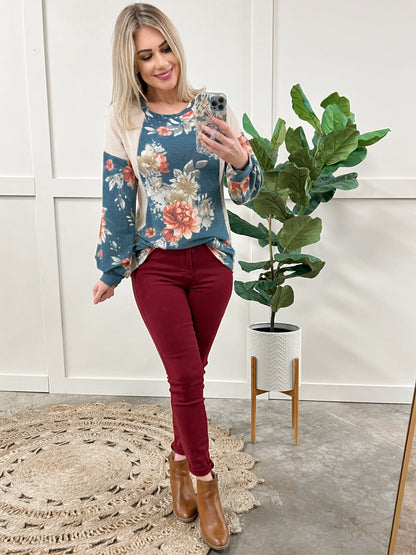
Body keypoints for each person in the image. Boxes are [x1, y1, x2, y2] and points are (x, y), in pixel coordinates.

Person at [92, 3, 263, 551]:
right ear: (132, 65)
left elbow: (247, 192)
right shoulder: (125, 120)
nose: (160, 62)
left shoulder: (212, 107)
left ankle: (177, 462)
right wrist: (111, 270)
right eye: (146, 55)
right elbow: (118, 199)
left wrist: (239, 159)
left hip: (212, 261)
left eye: (164, 48)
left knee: (190, 376)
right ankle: (206, 486)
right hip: (157, 267)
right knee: (187, 379)